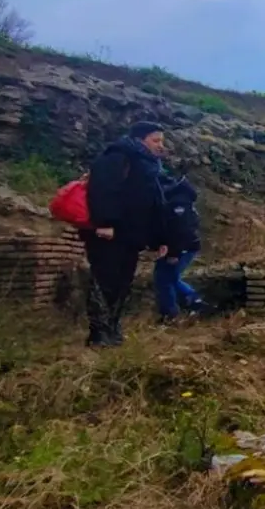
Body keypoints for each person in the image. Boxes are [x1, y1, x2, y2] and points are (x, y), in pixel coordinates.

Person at [82, 121, 168, 348]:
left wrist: (158, 239)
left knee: (123, 283)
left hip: (132, 236)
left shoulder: (151, 167)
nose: (161, 145)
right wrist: (105, 222)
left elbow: (155, 204)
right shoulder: (118, 157)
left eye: (162, 141)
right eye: (155, 140)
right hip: (109, 234)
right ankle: (99, 334)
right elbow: (102, 190)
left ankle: (113, 328)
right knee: (104, 280)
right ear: (141, 140)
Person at [153, 172, 211, 323]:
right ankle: (182, 307)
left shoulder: (178, 202)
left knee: (167, 278)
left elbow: (181, 230)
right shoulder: (172, 199)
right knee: (165, 277)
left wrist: (174, 253)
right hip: (176, 247)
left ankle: (173, 313)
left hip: (182, 248)